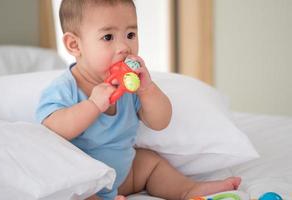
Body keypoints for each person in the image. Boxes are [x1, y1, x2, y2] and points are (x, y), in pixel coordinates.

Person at [36, 0, 241, 199]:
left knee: (149, 162)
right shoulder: (65, 88)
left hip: (125, 175)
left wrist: (148, 90)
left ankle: (187, 190)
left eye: (130, 34)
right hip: (85, 181)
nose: (124, 47)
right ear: (74, 45)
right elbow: (53, 129)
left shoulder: (130, 86)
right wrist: (93, 105)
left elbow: (160, 122)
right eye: (108, 37)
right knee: (71, 188)